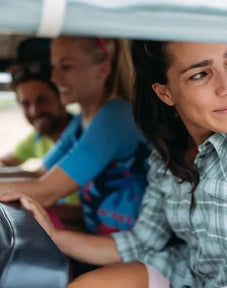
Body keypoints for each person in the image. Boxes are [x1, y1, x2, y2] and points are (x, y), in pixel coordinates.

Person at [2, 40, 227, 288]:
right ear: (165, 93)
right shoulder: (165, 153)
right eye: (200, 74)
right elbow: (141, 243)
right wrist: (54, 236)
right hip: (184, 275)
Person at [0, 36, 150, 236]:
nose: (54, 77)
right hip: (98, 238)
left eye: (66, 67)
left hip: (126, 248)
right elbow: (39, 174)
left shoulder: (115, 117)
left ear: (103, 69)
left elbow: (46, 191)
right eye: (54, 67)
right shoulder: (82, 122)